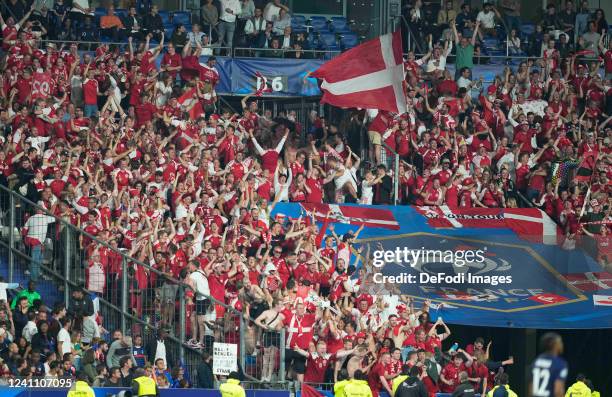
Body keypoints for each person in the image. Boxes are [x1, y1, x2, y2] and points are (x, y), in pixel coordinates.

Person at [529, 332, 567, 397]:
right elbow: (558, 392)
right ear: (554, 345)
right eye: (560, 342)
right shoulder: (560, 363)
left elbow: (531, 388)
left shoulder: (536, 361)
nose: (562, 344)